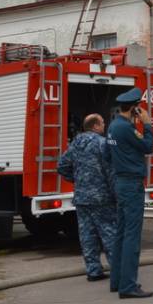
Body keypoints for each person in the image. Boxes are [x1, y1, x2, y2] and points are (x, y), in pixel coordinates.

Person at [105, 88, 153, 299]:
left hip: (120, 182)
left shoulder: (113, 126)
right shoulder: (126, 128)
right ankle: (128, 287)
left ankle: (116, 281)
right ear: (134, 108)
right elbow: (148, 146)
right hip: (132, 184)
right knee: (132, 237)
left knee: (121, 234)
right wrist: (148, 124)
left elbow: (107, 156)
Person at [57, 114, 117, 282]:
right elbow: (110, 172)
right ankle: (118, 271)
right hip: (102, 198)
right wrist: (116, 194)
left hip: (82, 198)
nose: (105, 125)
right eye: (103, 122)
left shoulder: (75, 144)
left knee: (87, 235)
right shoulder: (102, 143)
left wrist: (77, 179)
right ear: (96, 126)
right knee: (110, 234)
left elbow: (61, 166)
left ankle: (93, 271)